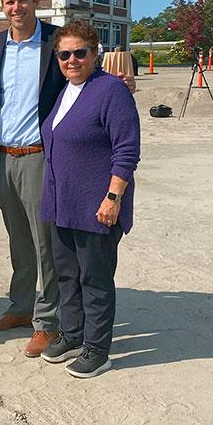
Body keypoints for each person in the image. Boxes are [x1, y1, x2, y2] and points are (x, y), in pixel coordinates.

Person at [0, 0, 135, 359]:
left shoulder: (55, 42)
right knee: (19, 240)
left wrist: (114, 82)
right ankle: (20, 307)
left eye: (23, 0)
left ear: (36, 1)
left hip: (39, 157)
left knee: (47, 245)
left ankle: (47, 323)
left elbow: (82, 72)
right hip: (2, 155)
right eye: (10, 2)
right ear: (3, 6)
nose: (17, 8)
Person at [39, 20, 140, 378]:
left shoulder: (111, 91)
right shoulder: (65, 90)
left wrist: (113, 197)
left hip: (96, 205)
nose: (72, 60)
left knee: (94, 280)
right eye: (65, 54)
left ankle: (98, 349)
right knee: (67, 275)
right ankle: (72, 334)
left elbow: (126, 150)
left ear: (95, 53)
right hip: (60, 203)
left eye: (80, 53)